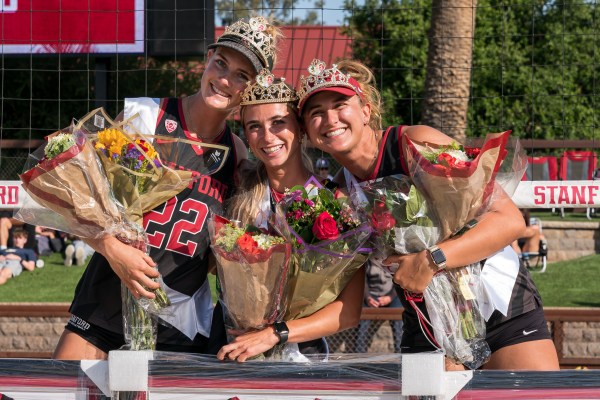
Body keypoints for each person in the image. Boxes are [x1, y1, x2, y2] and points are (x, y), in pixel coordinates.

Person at [297, 59, 559, 370]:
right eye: (316, 113)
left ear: (366, 110)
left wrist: (431, 260)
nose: (329, 119)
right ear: (307, 132)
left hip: (499, 304)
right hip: (429, 324)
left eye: (340, 104)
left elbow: (509, 220)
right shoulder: (338, 195)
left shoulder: (414, 142)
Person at [53, 16, 282, 360]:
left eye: (241, 75)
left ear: (250, 89)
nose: (224, 79)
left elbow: (216, 248)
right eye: (221, 64)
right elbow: (78, 201)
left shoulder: (237, 151)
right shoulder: (146, 116)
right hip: (107, 303)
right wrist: (114, 250)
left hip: (180, 323)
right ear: (207, 59)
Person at [215, 71, 365, 362]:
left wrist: (275, 333)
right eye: (254, 126)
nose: (268, 136)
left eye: (279, 122)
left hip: (303, 357)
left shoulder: (335, 201)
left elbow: (348, 312)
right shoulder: (237, 195)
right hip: (233, 350)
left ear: (301, 127)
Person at [356, 261, 403, 353]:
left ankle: (400, 353)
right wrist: (368, 297)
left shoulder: (395, 259)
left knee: (399, 318)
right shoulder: (367, 259)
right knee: (362, 320)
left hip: (392, 295)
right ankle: (359, 354)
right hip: (371, 296)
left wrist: (389, 297)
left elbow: (400, 281)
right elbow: (363, 281)